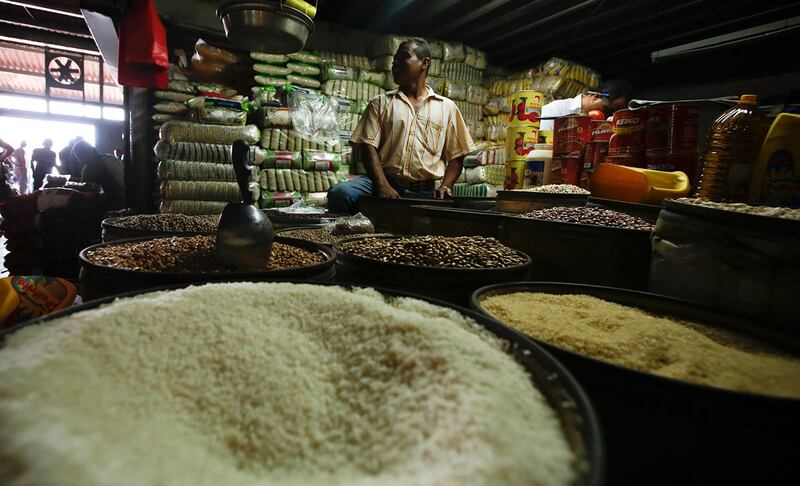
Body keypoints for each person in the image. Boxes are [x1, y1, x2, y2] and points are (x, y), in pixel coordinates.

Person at [328, 38, 476, 214]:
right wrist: (382, 185)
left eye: (403, 57)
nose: (395, 63)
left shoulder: (447, 108)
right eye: (394, 59)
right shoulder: (381, 103)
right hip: (381, 182)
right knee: (339, 193)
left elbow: (458, 155)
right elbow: (368, 147)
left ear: (424, 63)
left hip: (424, 190)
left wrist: (446, 186)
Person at [539, 79, 634, 131]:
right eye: (606, 109)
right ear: (595, 96)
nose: (606, 114)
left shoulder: (602, 124)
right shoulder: (557, 109)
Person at [72, 140, 126, 210]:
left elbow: (85, 191)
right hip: (128, 198)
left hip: (115, 205)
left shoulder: (90, 167)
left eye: (78, 157)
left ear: (83, 155)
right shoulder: (110, 157)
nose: (79, 160)